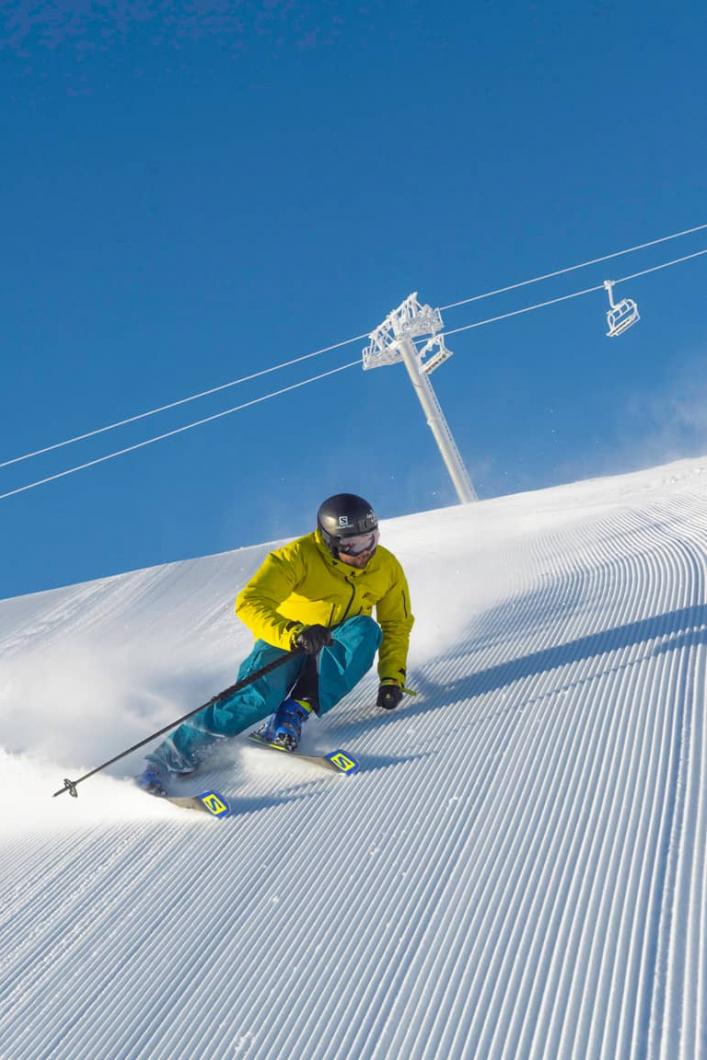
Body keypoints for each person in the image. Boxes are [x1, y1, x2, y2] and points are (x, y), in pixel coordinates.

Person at [138, 493, 414, 794]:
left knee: (365, 630)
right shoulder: (297, 556)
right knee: (257, 697)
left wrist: (392, 676)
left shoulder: (386, 566)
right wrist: (292, 633)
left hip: (335, 644)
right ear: (329, 541)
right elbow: (250, 601)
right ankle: (165, 762)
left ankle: (291, 715)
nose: (365, 552)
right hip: (288, 642)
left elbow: (396, 623)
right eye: (353, 545)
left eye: (370, 539)